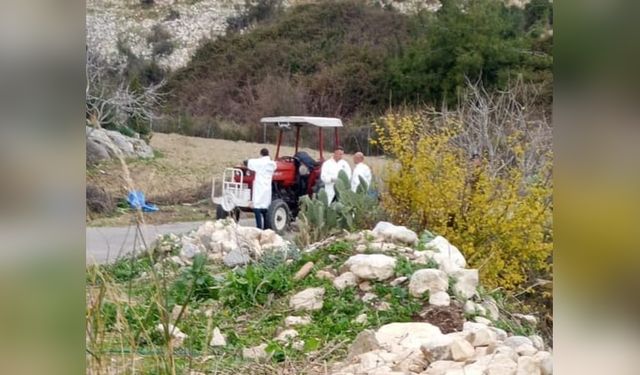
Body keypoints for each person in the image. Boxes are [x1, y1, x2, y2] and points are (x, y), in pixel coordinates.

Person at [247, 148, 277, 229]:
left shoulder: (260, 162)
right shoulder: (272, 164)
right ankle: (266, 227)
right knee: (265, 208)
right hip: (267, 188)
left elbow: (249, 162)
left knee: (257, 207)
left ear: (261, 154)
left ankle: (259, 227)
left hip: (259, 186)